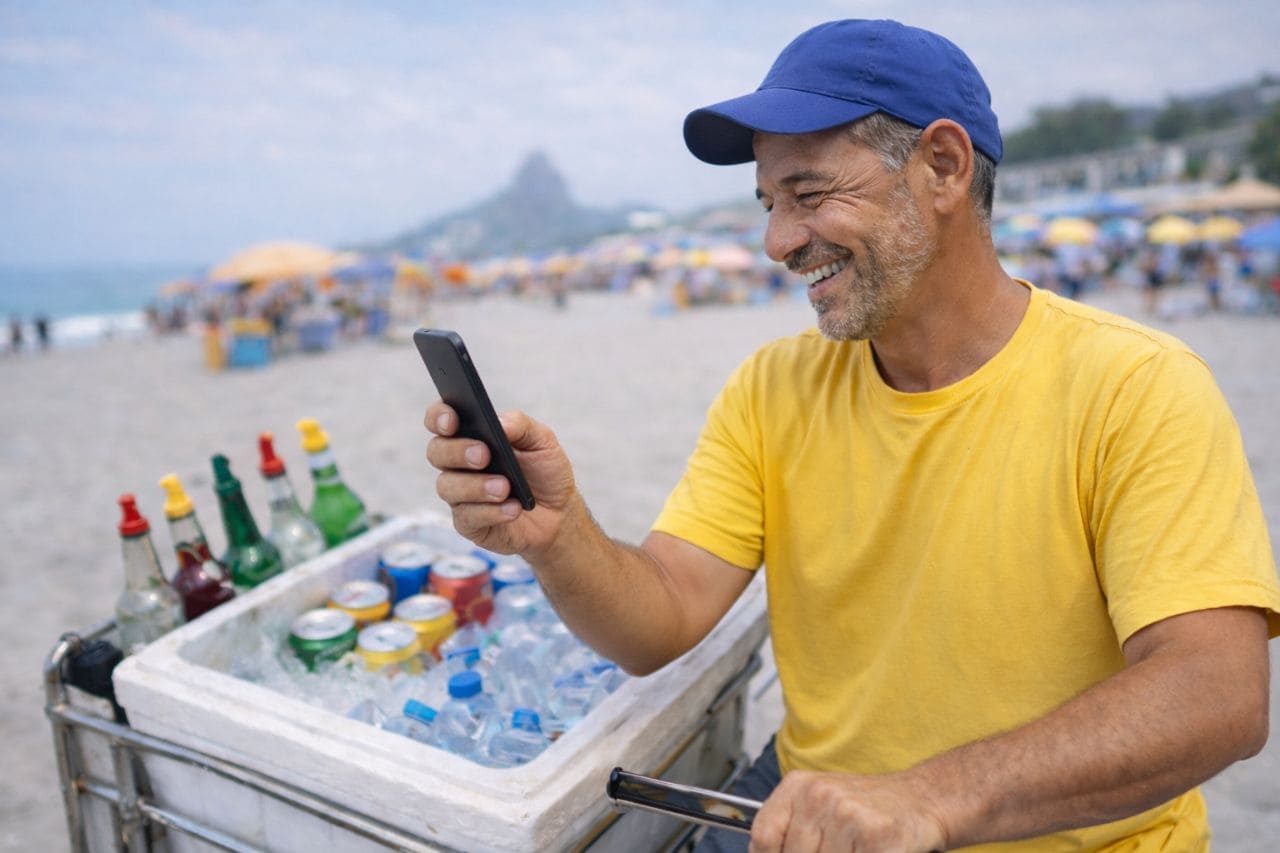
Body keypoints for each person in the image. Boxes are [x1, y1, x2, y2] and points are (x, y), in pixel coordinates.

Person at [424, 19, 1279, 853]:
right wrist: (558, 535)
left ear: (943, 167)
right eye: (768, 202)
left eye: (809, 192)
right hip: (807, 807)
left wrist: (930, 800)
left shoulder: (1134, 386)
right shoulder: (773, 388)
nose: (777, 240)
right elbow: (663, 617)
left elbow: (1218, 692)